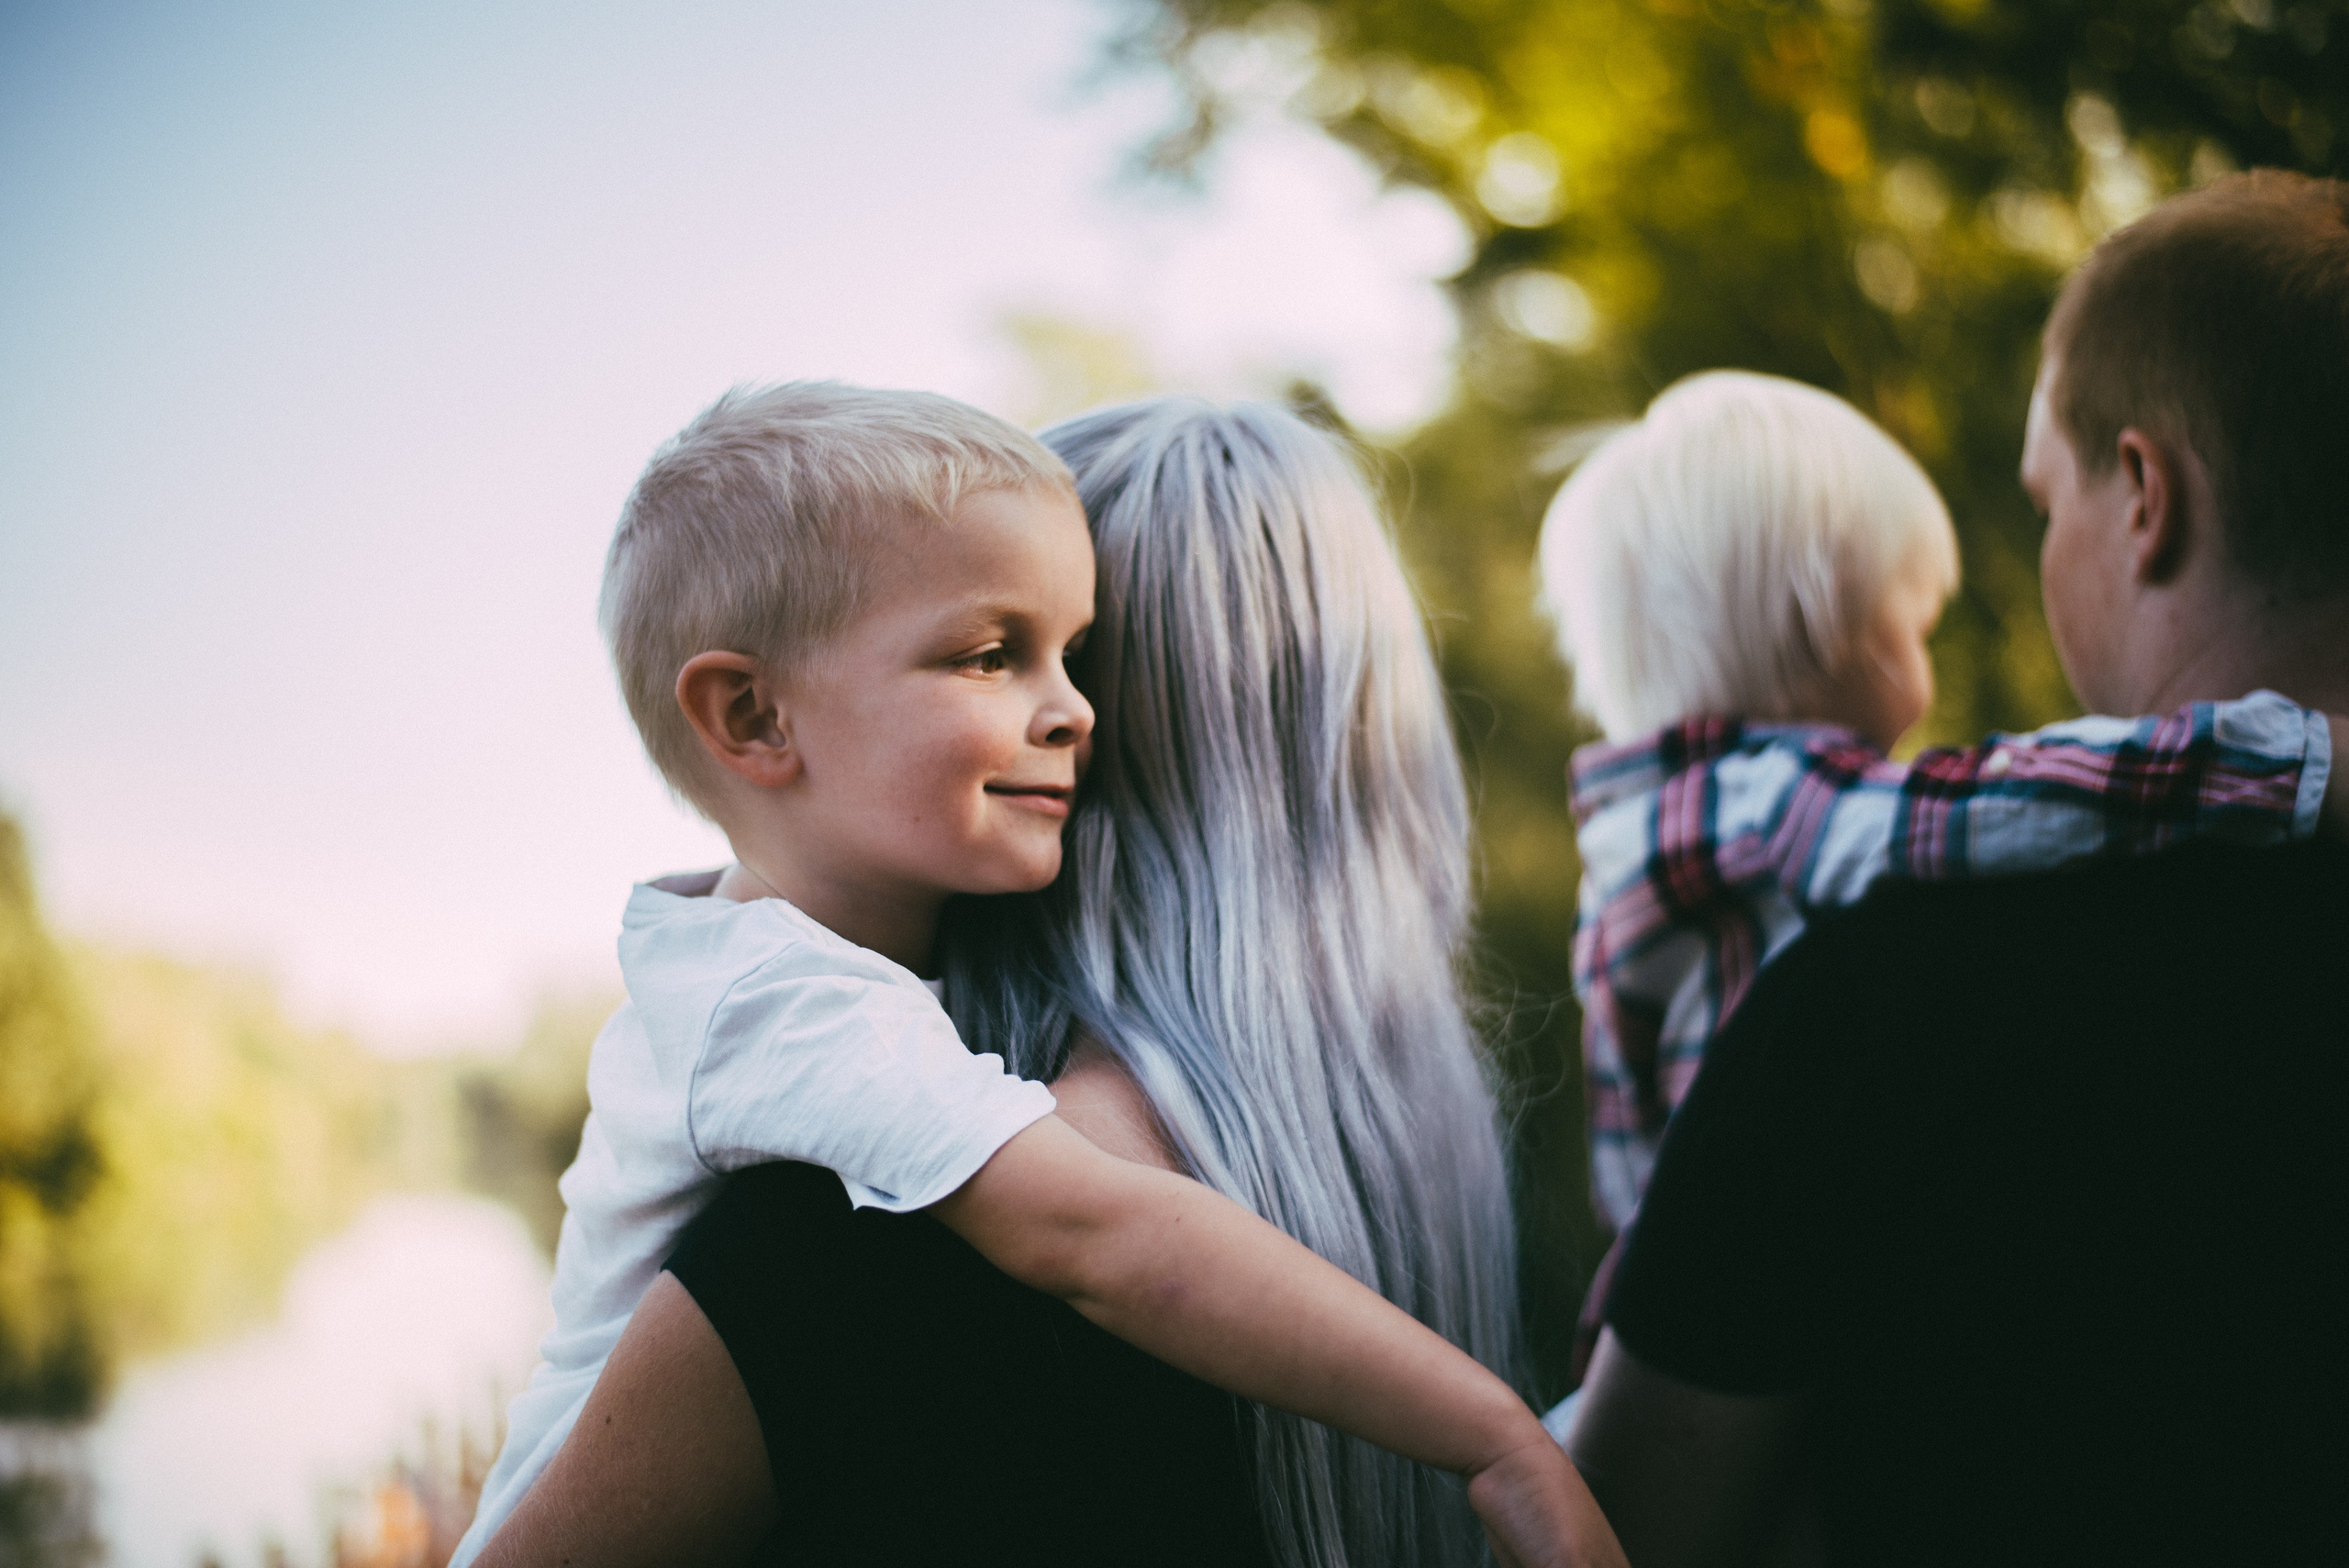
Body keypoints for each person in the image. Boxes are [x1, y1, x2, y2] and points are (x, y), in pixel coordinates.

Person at [457, 385, 1619, 1568]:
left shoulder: (763, 969)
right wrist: (1497, 1437)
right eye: (991, 654)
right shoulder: (790, 1020)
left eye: (1079, 653)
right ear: (754, 715)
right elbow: (1098, 1231)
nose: (1072, 709)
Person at [1564, 169, 2349, 1565]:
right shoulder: (1808, 845)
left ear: (2144, 498)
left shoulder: (1874, 993)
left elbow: (1621, 1527)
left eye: (2047, 503)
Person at [1537, 370, 2339, 1241]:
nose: (1926, 672)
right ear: (1822, 627)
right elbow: (2018, 799)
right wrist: (2305, 759)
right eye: (1916, 628)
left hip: (1666, 1329)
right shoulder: (1780, 815)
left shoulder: (1648, 836)